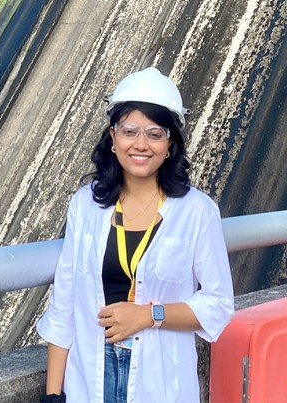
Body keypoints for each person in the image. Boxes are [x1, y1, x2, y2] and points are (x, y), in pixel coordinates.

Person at [36, 66, 234, 403]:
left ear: (170, 143)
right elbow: (64, 308)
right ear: (113, 137)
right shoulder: (86, 205)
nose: (140, 144)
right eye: (129, 131)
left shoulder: (197, 212)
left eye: (154, 134)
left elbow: (218, 304)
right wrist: (54, 396)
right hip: (90, 378)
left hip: (159, 383)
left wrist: (148, 315)